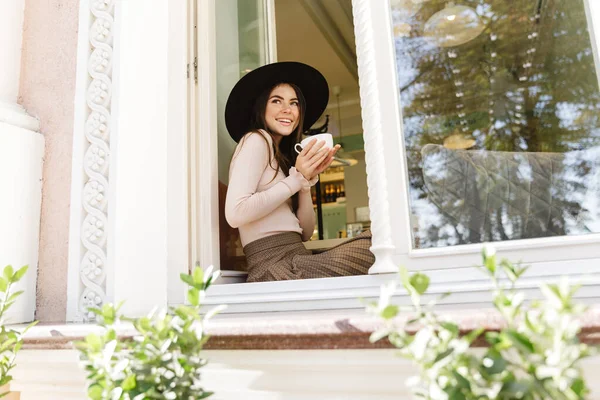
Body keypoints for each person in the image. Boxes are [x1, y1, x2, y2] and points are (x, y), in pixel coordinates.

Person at [224, 61, 374, 282]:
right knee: (379, 242)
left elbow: (304, 233)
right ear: (261, 106)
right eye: (276, 101)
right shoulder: (257, 139)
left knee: (382, 239)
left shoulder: (282, 159)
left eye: (294, 103)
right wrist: (295, 180)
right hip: (274, 267)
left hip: (297, 258)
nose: (287, 110)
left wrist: (305, 183)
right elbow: (236, 213)